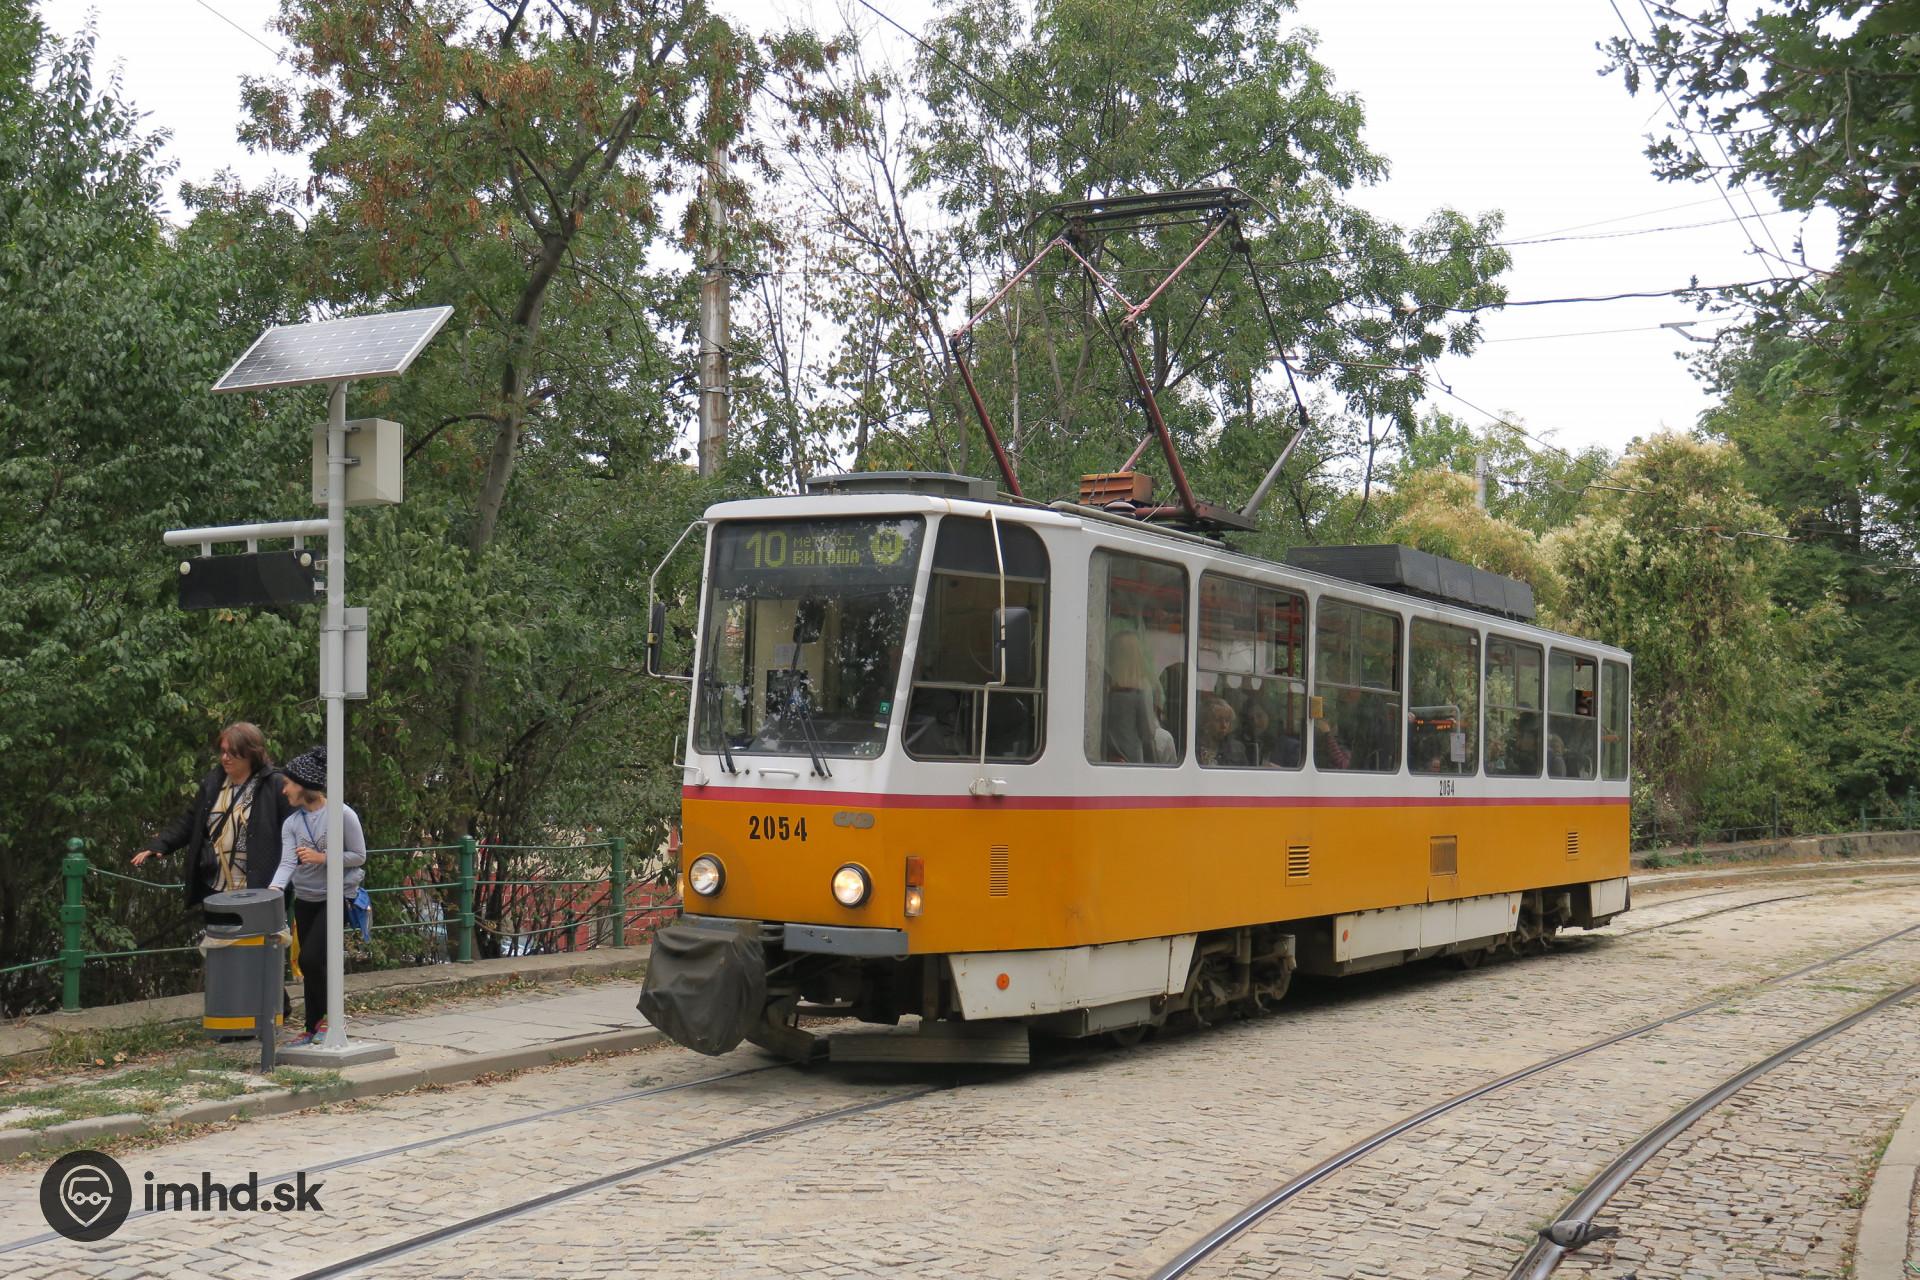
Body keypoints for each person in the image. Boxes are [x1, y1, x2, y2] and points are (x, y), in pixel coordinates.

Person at [132, 722, 294, 910]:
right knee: (218, 929)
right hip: (216, 889)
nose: (225, 758)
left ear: (251, 753)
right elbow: (191, 821)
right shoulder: (214, 781)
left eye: (232, 753)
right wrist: (161, 844)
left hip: (260, 892)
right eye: (222, 751)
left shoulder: (275, 784)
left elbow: (295, 832)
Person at [270, 747, 367, 1046]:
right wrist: (273, 890)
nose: (284, 790)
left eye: (288, 784)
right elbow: (287, 862)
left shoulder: (342, 814)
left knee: (311, 958)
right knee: (311, 963)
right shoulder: (292, 823)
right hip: (306, 899)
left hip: (336, 897)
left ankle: (332, 1019)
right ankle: (313, 1026)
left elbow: (359, 856)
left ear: (303, 784)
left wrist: (322, 858)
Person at [1196, 695, 1247, 767]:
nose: (1224, 725)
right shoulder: (1193, 747)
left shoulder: (1237, 749)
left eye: (1227, 720)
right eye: (1218, 720)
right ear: (1205, 722)